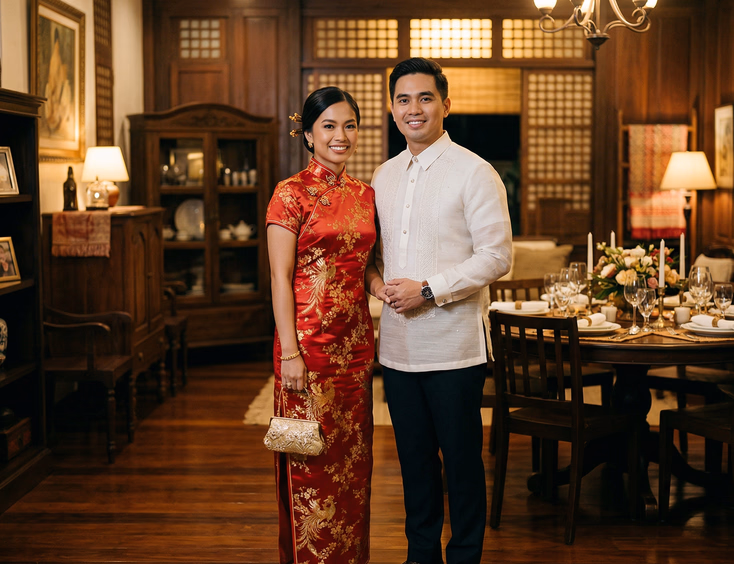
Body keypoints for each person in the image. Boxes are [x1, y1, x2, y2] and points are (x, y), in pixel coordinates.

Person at [366, 58, 512, 564]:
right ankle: (421, 555)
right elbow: (375, 255)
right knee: (414, 464)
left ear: (445, 104)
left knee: (464, 464)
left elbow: (497, 256)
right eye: (403, 99)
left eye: (425, 98)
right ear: (391, 109)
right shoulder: (382, 176)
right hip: (399, 349)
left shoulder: (475, 171)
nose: (414, 109)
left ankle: (466, 555)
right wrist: (379, 282)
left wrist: (429, 289)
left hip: (454, 348)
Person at [266, 86, 377, 564]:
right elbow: (279, 275)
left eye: (349, 125)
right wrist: (289, 352)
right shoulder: (290, 193)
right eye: (329, 126)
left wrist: (383, 285)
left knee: (353, 464)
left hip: (355, 350)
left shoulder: (365, 194)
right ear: (308, 134)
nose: (341, 135)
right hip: (306, 349)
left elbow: (366, 264)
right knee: (307, 459)